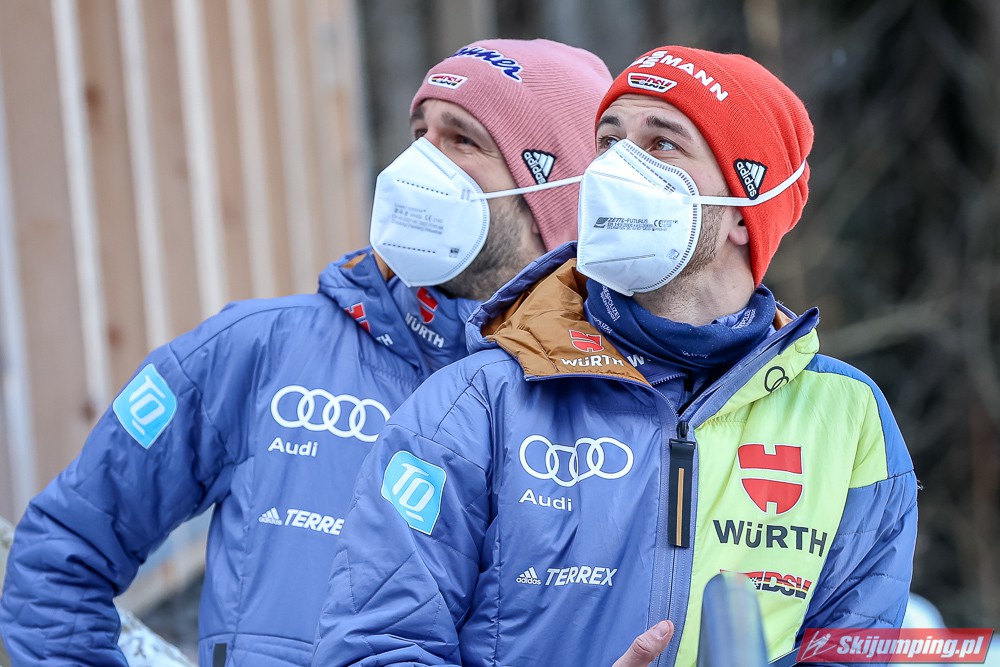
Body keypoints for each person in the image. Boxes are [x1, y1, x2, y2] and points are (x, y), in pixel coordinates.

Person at [0, 39, 612, 666]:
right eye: (419, 133)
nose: (420, 163)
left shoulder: (617, 408)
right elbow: (60, 558)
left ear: (551, 196)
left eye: (461, 140)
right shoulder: (262, 352)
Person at [311, 45, 918, 666]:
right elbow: (374, 648)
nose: (616, 169)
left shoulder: (847, 419)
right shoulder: (479, 401)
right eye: (608, 142)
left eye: (662, 144)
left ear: (744, 210)